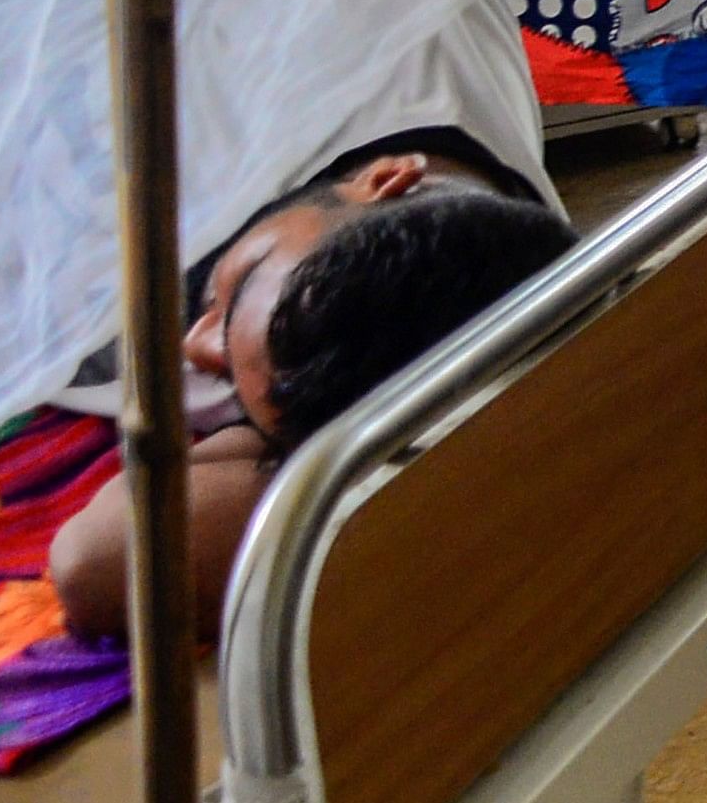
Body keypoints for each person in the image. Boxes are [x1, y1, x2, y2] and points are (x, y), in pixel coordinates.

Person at [47, 101, 576, 636]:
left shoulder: (353, 380)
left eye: (231, 377)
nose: (194, 346)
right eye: (241, 284)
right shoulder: (401, 72)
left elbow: (93, 561)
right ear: (385, 177)